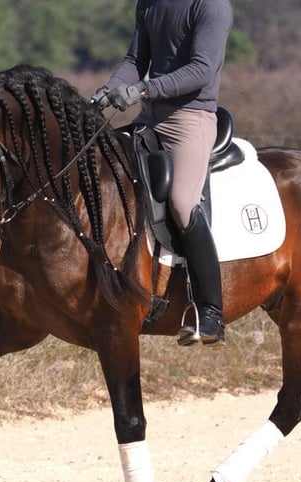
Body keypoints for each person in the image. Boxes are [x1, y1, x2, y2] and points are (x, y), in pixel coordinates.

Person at [91, 0, 233, 346]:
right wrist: (105, 93)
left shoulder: (211, 5)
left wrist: (142, 89)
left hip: (190, 119)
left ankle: (211, 313)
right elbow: (135, 60)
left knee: (183, 204)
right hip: (148, 119)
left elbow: (202, 69)